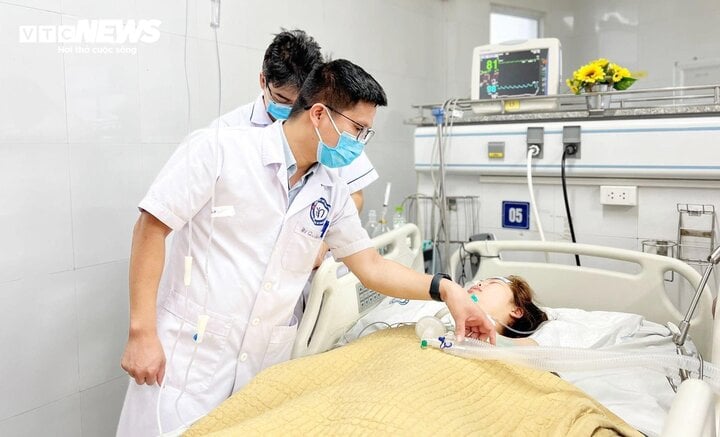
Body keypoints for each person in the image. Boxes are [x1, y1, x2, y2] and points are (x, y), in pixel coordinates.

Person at [116, 58, 496, 436]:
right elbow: (151, 229)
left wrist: (445, 288)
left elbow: (371, 266)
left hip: (260, 367)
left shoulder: (331, 189)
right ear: (318, 114)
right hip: (189, 360)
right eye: (357, 130)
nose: (360, 144)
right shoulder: (219, 149)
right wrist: (142, 333)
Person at [211, 29, 378, 213]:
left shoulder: (333, 132)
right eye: (282, 100)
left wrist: (320, 235)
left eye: (300, 102)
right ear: (262, 81)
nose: (292, 111)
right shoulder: (226, 132)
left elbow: (355, 195)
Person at [464, 275, 548, 345]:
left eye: (493, 283)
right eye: (480, 281)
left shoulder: (512, 349)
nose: (478, 284)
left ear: (516, 311)